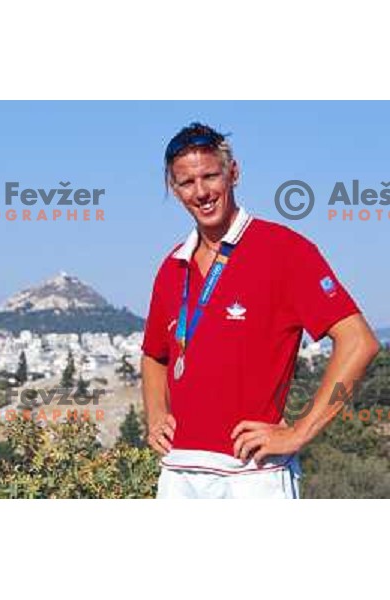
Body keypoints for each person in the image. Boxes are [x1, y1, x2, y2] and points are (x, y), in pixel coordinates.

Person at [141, 122, 380, 499]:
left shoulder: (284, 250)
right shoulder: (173, 266)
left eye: (210, 176)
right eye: (187, 183)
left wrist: (300, 431)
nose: (201, 192)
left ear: (233, 173)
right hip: (179, 472)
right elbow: (155, 355)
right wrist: (155, 415)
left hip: (252, 475)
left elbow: (359, 342)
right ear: (174, 189)